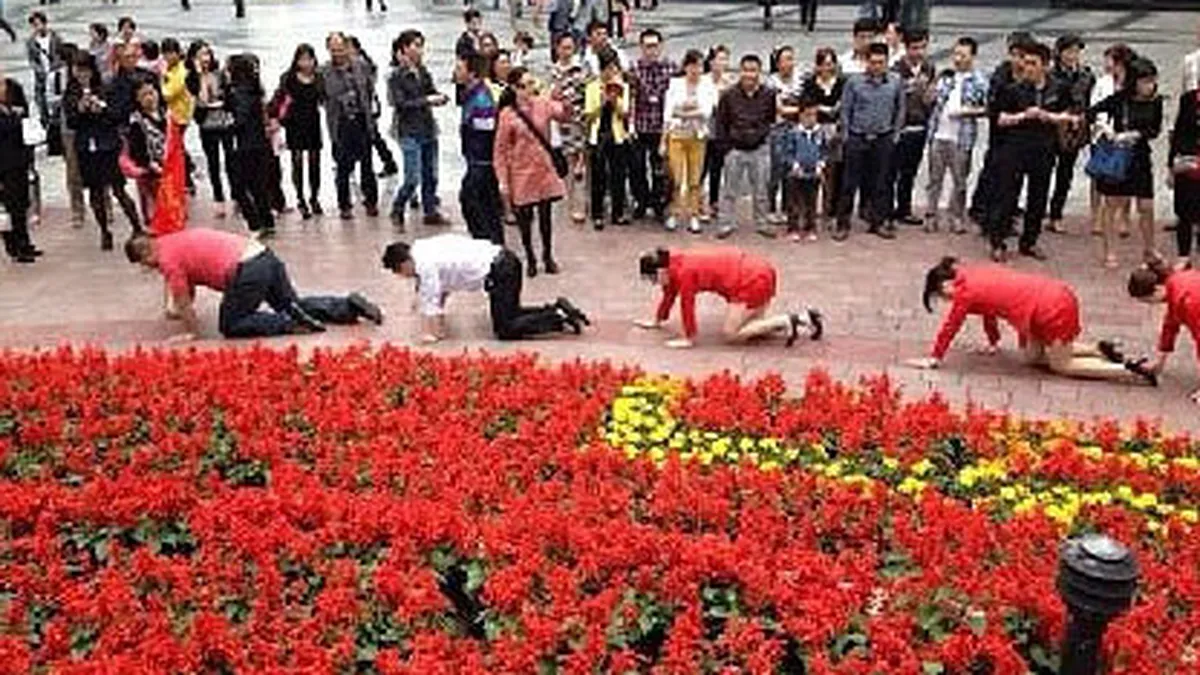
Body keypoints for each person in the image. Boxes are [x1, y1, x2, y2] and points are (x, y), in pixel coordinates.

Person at [909, 257, 1155, 385]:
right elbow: (989, 311)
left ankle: (1128, 370)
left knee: (1062, 365)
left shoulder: (964, 292)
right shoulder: (972, 274)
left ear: (945, 284)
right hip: (1050, 298)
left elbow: (951, 326)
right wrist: (993, 342)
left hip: (1049, 309)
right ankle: (1098, 349)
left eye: (942, 295)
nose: (947, 300)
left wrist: (935, 358)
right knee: (1031, 358)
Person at [125, 228, 383, 340]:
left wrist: (191, 332)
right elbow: (187, 288)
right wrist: (175, 312)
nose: (148, 269)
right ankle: (348, 306)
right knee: (292, 303)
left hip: (246, 271)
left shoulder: (167, 260)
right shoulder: (174, 241)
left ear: (145, 255)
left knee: (231, 325)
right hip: (263, 255)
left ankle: (289, 324)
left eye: (144, 264)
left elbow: (183, 301)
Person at [381, 235, 590, 342]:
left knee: (505, 329)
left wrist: (433, 334)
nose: (404, 277)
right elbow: (440, 291)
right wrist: (438, 322)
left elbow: (431, 299)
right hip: (504, 263)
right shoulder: (422, 248)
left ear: (403, 263)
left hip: (501, 272)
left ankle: (558, 318)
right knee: (511, 314)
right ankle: (555, 309)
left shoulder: (424, 263)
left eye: (400, 272)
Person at [986, 42, 1076, 262]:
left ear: (1045, 66)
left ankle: (1030, 241)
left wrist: (1049, 116)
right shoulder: (1012, 90)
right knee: (1007, 195)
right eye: (1025, 63)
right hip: (1015, 148)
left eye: (1033, 63)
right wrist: (1023, 116)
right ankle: (998, 241)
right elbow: (999, 118)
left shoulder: (1059, 88)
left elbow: (1071, 115)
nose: (1027, 68)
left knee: (1038, 196)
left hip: (1044, 148)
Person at [633, 246, 822, 348]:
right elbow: (669, 295)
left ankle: (787, 320)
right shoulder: (674, 263)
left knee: (732, 334)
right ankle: (801, 319)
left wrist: (688, 337)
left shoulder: (684, 272)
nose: (654, 283)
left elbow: (686, 304)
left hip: (750, 280)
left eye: (653, 278)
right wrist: (657, 320)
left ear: (661, 270)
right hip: (758, 270)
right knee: (753, 328)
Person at [495, 67, 572, 277]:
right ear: (514, 88)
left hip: (543, 168)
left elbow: (564, 116)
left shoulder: (543, 104)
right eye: (524, 85)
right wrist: (502, 180)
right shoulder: (507, 114)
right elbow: (500, 150)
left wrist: (564, 102)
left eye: (531, 83)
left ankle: (547, 255)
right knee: (525, 218)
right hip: (521, 171)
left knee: (546, 215)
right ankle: (530, 256)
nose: (529, 89)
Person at [1088, 57, 1163, 268]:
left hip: (1140, 155)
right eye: (1145, 81)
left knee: (1146, 205)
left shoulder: (1155, 101)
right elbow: (1093, 112)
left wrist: (1136, 134)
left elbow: (1154, 129)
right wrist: (1106, 130)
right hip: (1119, 156)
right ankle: (1110, 251)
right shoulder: (1120, 99)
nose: (1149, 86)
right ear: (1134, 81)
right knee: (1113, 203)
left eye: (1152, 81)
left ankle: (1149, 248)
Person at [64, 51, 141, 251]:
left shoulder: (105, 89)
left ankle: (137, 226)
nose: (82, 75)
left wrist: (102, 109)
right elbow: (71, 122)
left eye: (85, 70)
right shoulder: (71, 93)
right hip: (85, 147)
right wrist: (80, 109)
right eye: (78, 70)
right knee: (95, 191)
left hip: (107, 144)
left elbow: (117, 116)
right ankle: (104, 231)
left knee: (118, 189)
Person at [836, 42, 904, 242]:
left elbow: (900, 109)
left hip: (883, 138)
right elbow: (845, 110)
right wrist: (847, 135)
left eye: (881, 62)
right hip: (857, 137)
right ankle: (842, 224)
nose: (877, 66)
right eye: (873, 62)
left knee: (880, 183)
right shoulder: (854, 82)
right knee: (849, 183)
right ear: (866, 62)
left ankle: (878, 222)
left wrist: (895, 134)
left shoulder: (895, 82)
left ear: (887, 62)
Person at [924, 36, 988, 235]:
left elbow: (987, 108)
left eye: (963, 55)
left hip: (961, 137)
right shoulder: (945, 77)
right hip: (938, 133)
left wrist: (966, 111)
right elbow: (929, 101)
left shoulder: (979, 81)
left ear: (973, 56)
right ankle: (931, 215)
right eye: (956, 54)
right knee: (935, 178)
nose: (958, 59)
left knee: (959, 180)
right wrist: (930, 90)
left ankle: (956, 216)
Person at [387, 30, 450, 228]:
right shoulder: (396, 76)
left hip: (427, 127)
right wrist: (427, 100)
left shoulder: (422, 71)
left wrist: (440, 97)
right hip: (408, 131)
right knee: (412, 177)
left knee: (431, 174)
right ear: (404, 49)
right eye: (415, 45)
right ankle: (398, 207)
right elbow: (400, 103)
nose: (419, 50)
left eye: (421, 45)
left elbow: (431, 91)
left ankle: (430, 211)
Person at [713, 53, 775, 240]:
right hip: (735, 149)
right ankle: (726, 223)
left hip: (759, 148)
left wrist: (760, 136)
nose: (749, 75)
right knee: (729, 190)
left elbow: (770, 119)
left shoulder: (768, 94)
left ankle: (762, 223)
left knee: (761, 190)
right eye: (746, 70)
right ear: (740, 71)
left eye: (753, 70)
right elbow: (721, 123)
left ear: (759, 72)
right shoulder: (728, 95)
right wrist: (726, 147)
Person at [322, 32, 379, 221]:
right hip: (341, 122)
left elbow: (370, 87)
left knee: (367, 163)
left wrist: (370, 112)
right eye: (333, 50)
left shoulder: (361, 65)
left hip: (362, 119)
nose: (338, 54)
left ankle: (371, 201)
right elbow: (320, 97)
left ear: (347, 47)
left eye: (340, 49)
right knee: (343, 166)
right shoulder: (324, 72)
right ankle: (344, 205)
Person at [1128, 260, 1200, 404]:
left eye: (1148, 300)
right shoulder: (1176, 283)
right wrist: (1159, 362)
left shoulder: (1187, 300)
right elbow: (1170, 325)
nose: (1151, 304)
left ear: (1156, 289)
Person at [663, 48, 717, 234]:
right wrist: (663, 139)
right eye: (692, 66)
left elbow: (706, 111)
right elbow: (669, 112)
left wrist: (684, 111)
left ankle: (694, 215)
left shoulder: (707, 85)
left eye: (699, 66)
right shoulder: (675, 84)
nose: (696, 70)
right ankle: (675, 213)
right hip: (677, 136)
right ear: (686, 67)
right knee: (677, 178)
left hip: (697, 136)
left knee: (695, 179)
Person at [1046, 34, 1094, 234]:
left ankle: (1056, 214)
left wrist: (1084, 120)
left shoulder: (1086, 75)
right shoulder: (1049, 74)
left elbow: (1088, 102)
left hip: (1073, 130)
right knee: (1043, 172)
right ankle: (1039, 210)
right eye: (1069, 51)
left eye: (1076, 51)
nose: (1072, 56)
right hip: (1050, 128)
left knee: (1065, 173)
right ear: (1059, 52)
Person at [888, 28, 935, 227]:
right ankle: (885, 210)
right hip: (899, 127)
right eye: (914, 48)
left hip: (920, 126)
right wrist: (911, 87)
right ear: (906, 48)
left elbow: (930, 99)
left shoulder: (929, 68)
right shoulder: (895, 69)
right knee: (891, 171)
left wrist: (929, 96)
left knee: (910, 171)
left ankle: (904, 208)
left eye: (922, 47)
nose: (919, 52)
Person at [226, 53, 275, 236]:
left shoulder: (239, 93)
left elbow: (240, 119)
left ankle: (254, 224)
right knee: (258, 186)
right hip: (260, 143)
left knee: (238, 187)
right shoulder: (255, 90)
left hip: (245, 146)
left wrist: (228, 127)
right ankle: (267, 221)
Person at [1090, 43, 1136, 239]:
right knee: (1098, 177)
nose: (1107, 64)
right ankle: (1096, 216)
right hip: (1102, 135)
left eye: (1110, 60)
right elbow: (1094, 106)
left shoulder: (1132, 84)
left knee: (1126, 177)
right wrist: (1104, 129)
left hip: (1126, 137)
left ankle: (1124, 216)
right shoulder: (1102, 83)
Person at [457, 53, 503, 245]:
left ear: (472, 73)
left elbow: (486, 134)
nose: (456, 72)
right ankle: (490, 242)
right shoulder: (471, 94)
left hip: (481, 163)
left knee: (477, 204)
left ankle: (488, 244)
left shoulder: (482, 100)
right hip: (476, 161)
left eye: (460, 68)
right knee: (484, 206)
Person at [584, 48, 631, 230]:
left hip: (616, 135)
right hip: (598, 135)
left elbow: (625, 112)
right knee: (598, 176)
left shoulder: (622, 87)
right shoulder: (592, 87)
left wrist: (615, 100)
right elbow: (589, 114)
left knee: (618, 175)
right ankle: (597, 214)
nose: (612, 72)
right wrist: (602, 101)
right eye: (609, 68)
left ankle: (617, 212)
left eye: (615, 68)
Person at [629, 29, 673, 222]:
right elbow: (631, 98)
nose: (651, 51)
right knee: (637, 167)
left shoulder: (670, 68)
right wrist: (631, 124)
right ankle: (641, 201)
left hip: (661, 126)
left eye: (654, 46)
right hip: (641, 124)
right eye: (647, 46)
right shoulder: (634, 69)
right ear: (641, 47)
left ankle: (658, 204)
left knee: (660, 168)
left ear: (661, 46)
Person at [800, 47, 845, 231]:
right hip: (815, 130)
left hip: (835, 132)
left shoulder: (842, 83)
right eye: (824, 64)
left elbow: (844, 107)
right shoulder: (810, 83)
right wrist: (820, 110)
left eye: (830, 64)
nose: (827, 68)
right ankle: (808, 212)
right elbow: (806, 105)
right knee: (810, 173)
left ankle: (829, 213)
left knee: (832, 175)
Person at [189, 41, 235, 220]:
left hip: (224, 121)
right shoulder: (192, 78)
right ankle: (219, 199)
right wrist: (200, 75)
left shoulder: (220, 74)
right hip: (207, 124)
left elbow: (228, 96)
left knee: (231, 159)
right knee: (213, 162)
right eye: (201, 55)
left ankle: (237, 194)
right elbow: (202, 101)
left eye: (207, 54)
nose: (205, 58)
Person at [279, 44, 325, 220]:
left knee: (315, 160)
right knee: (297, 160)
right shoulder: (288, 78)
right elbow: (281, 99)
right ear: (296, 61)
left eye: (309, 59)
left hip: (313, 121)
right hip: (294, 122)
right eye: (302, 59)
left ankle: (314, 197)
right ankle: (300, 198)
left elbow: (324, 98)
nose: (306, 63)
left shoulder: (319, 77)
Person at [547, 32, 588, 225]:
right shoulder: (552, 71)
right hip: (561, 123)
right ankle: (571, 203)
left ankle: (584, 203)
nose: (567, 52)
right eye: (564, 48)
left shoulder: (582, 68)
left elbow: (589, 92)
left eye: (570, 48)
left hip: (581, 120)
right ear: (557, 49)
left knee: (583, 163)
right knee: (567, 164)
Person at [0, 70, 38, 263]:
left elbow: (26, 122)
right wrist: (15, 119)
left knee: (22, 203)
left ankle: (25, 241)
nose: (3, 89)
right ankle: (14, 245)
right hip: (4, 165)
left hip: (19, 160)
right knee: (11, 206)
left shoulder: (13, 102)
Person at [781, 98, 827, 242]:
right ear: (800, 116)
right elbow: (787, 152)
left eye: (814, 115)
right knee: (794, 202)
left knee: (811, 202)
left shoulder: (820, 133)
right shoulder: (793, 133)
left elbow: (824, 151)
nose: (811, 119)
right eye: (808, 115)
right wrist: (794, 165)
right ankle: (793, 228)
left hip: (813, 173)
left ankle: (810, 227)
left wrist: (821, 164)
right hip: (796, 173)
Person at [766, 45, 801, 228]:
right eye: (786, 59)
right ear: (778, 63)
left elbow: (804, 104)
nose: (790, 63)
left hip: (795, 130)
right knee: (775, 170)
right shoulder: (771, 82)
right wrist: (795, 108)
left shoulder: (800, 80)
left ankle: (788, 207)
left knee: (791, 170)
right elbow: (778, 109)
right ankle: (770, 208)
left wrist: (793, 107)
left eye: (791, 58)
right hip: (777, 130)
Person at [700, 45, 735, 224]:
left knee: (717, 169)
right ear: (711, 61)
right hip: (704, 129)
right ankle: (699, 204)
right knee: (701, 169)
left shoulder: (729, 83)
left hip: (721, 132)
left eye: (725, 59)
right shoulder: (703, 80)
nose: (722, 63)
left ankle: (714, 202)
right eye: (719, 59)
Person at [126, 80, 166, 223]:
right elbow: (136, 149)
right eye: (144, 95)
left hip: (168, 166)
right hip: (148, 170)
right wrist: (149, 164)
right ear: (138, 99)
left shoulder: (166, 115)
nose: (150, 98)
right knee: (152, 209)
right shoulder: (136, 121)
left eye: (152, 93)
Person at [1169, 83, 1200, 266]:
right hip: (1188, 161)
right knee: (1184, 212)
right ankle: (1183, 255)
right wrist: (1171, 165)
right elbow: (1179, 132)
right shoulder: (1188, 99)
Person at [25, 12, 62, 127]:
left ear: (45, 23)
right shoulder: (31, 41)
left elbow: (61, 53)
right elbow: (32, 59)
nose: (37, 27)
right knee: (41, 98)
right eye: (34, 25)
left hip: (55, 72)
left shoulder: (55, 37)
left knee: (57, 97)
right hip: (41, 75)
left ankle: (57, 120)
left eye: (38, 24)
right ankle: (45, 121)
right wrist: (38, 69)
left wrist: (56, 66)